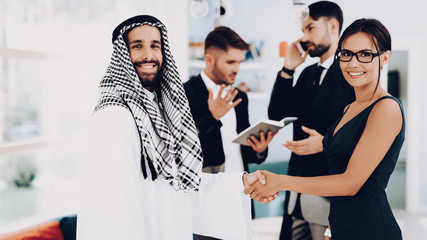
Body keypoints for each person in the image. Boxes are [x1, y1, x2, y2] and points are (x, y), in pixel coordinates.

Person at [76, 15, 275, 240]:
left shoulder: (161, 111)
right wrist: (211, 118)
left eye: (155, 46)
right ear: (122, 55)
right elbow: (110, 215)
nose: (148, 55)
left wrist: (239, 182)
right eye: (137, 46)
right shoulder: (112, 117)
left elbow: (177, 183)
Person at [247, 18, 404, 240]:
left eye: (365, 54)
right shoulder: (350, 107)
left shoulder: (386, 108)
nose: (353, 63)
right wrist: (332, 226)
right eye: (346, 54)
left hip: (370, 229)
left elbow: (350, 183)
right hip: (339, 226)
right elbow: (337, 169)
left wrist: (279, 181)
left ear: (384, 57)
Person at [268, 1, 355, 239]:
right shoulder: (307, 74)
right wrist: (288, 69)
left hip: (328, 195)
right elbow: (277, 114)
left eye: (310, 28)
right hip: (295, 192)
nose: (304, 36)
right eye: (303, 30)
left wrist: (325, 143)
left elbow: (361, 134)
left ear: (333, 26)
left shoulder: (352, 74)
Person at [184, 26, 274, 239]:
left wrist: (259, 150)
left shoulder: (240, 96)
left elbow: (243, 149)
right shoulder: (185, 93)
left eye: (240, 62)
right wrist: (211, 117)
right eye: (230, 62)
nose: (237, 69)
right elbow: (183, 148)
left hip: (242, 192)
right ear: (209, 60)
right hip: (207, 196)